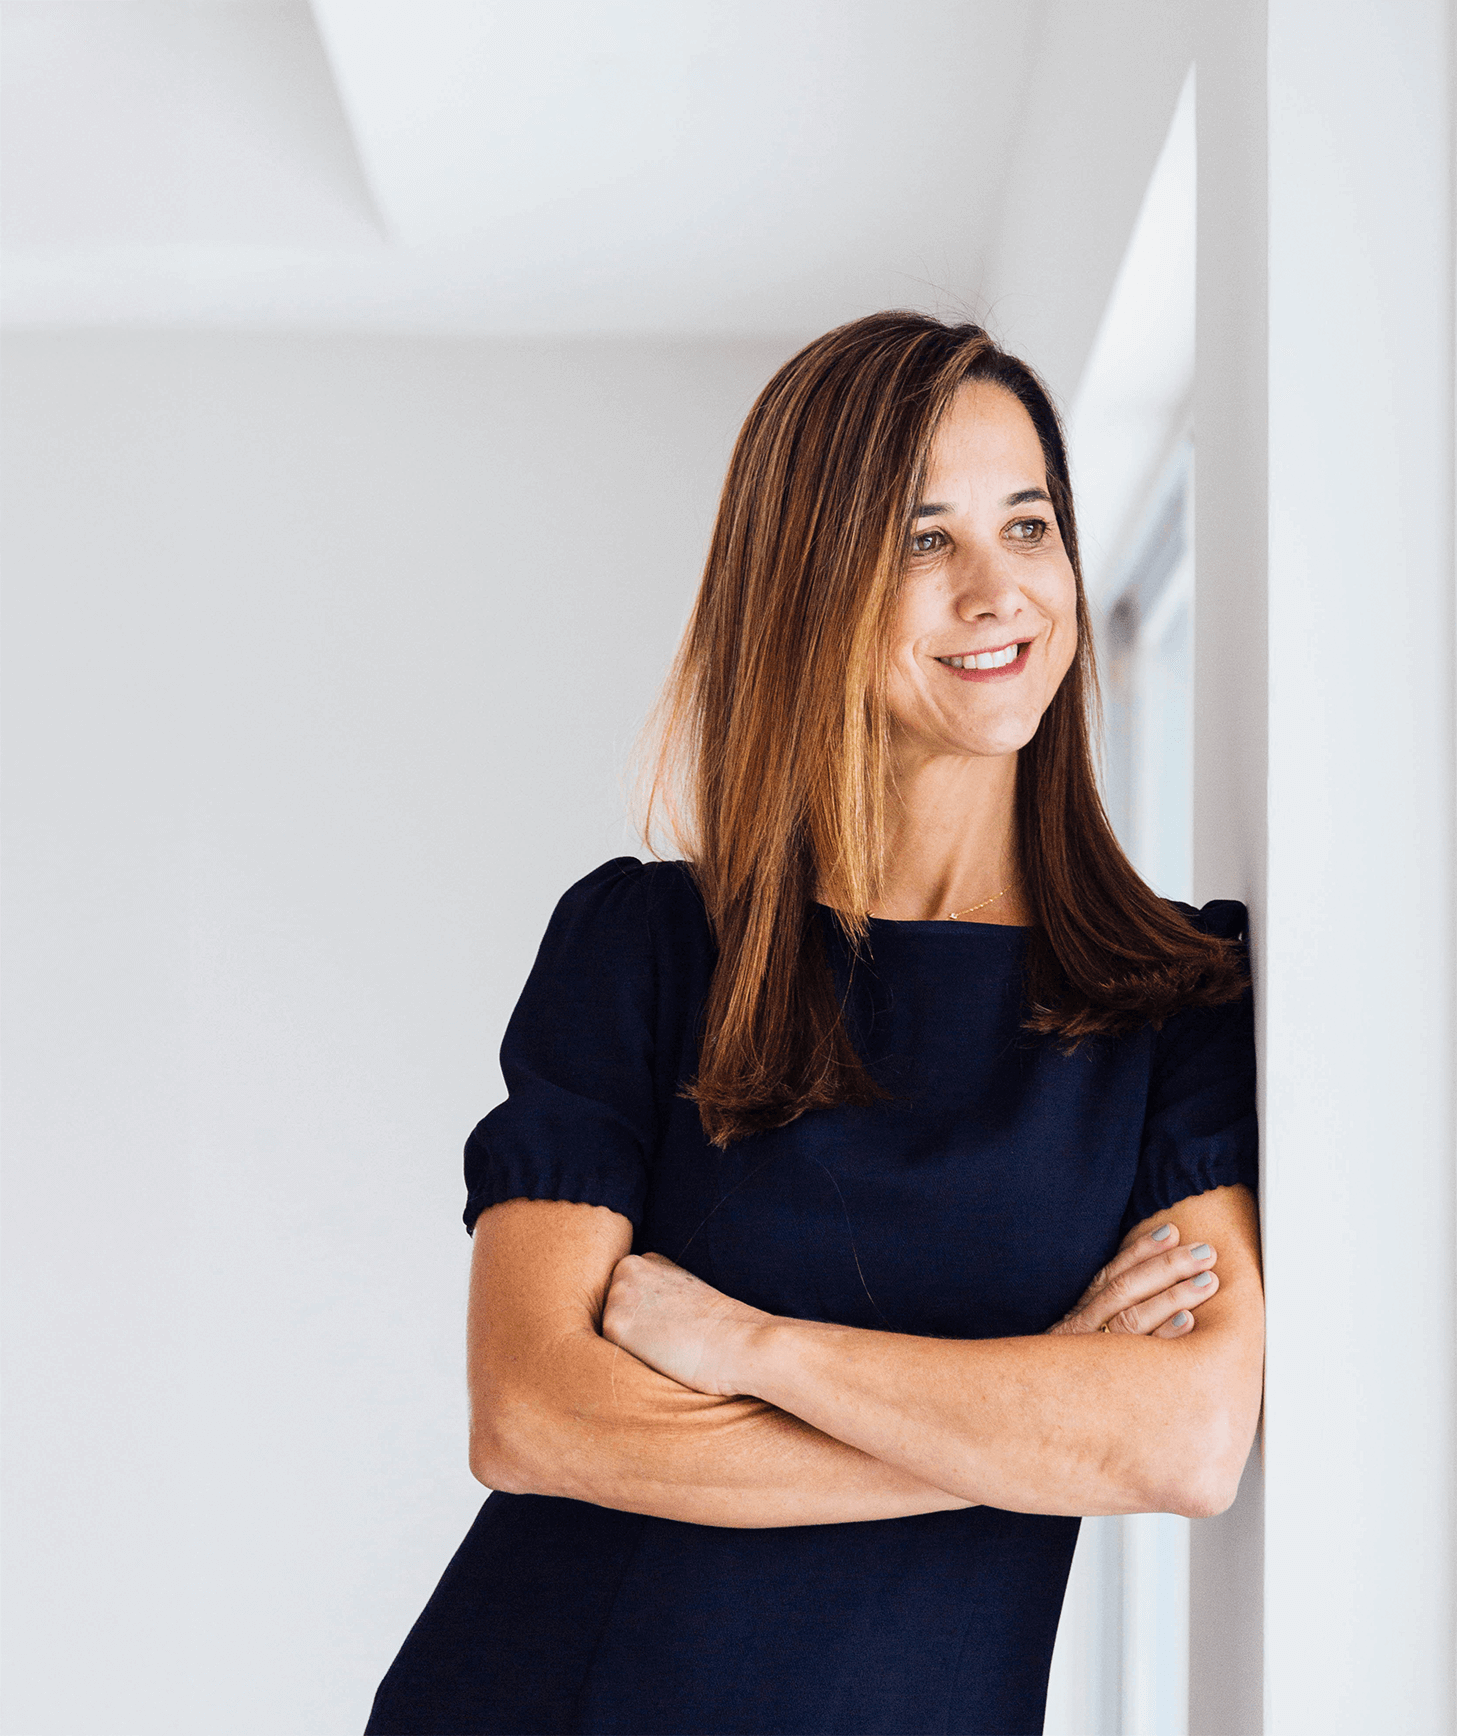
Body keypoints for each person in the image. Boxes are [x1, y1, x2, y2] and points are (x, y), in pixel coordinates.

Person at [364, 312, 1263, 1736]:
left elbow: (1186, 1436)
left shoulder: (1178, 998)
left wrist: (753, 1348)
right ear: (809, 583)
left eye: (1029, 525)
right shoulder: (648, 948)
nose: (998, 589)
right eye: (923, 541)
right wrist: (1021, 1431)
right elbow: (532, 1416)